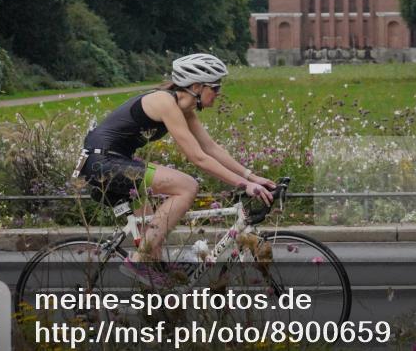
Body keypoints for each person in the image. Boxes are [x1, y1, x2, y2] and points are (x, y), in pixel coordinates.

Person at [76, 53, 276, 285]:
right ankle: (140, 259)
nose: (219, 93)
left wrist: (251, 177)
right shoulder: (165, 102)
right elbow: (198, 158)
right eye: (215, 87)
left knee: (155, 236)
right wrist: (245, 186)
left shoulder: (185, 109)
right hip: (102, 164)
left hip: (116, 161)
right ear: (196, 86)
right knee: (187, 186)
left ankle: (158, 307)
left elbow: (210, 147)